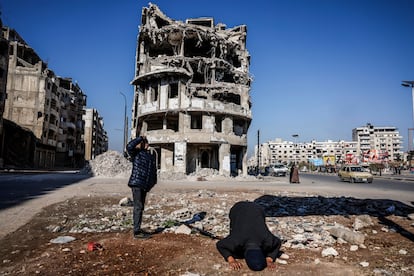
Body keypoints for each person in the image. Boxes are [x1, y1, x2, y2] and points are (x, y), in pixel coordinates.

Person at [216, 201, 282, 271]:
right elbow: (220, 245)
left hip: (257, 208)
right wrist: (230, 259)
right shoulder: (237, 240)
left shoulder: (267, 239)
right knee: (235, 227)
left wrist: (269, 259)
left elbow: (278, 242)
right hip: (238, 208)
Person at [126, 135, 157, 239]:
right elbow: (129, 146)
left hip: (144, 185)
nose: (147, 145)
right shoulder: (136, 153)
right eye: (145, 143)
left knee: (141, 207)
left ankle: (138, 229)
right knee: (138, 207)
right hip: (137, 183)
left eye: (147, 143)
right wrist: (140, 138)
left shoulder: (149, 156)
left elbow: (152, 172)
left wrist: (151, 185)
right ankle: (136, 232)